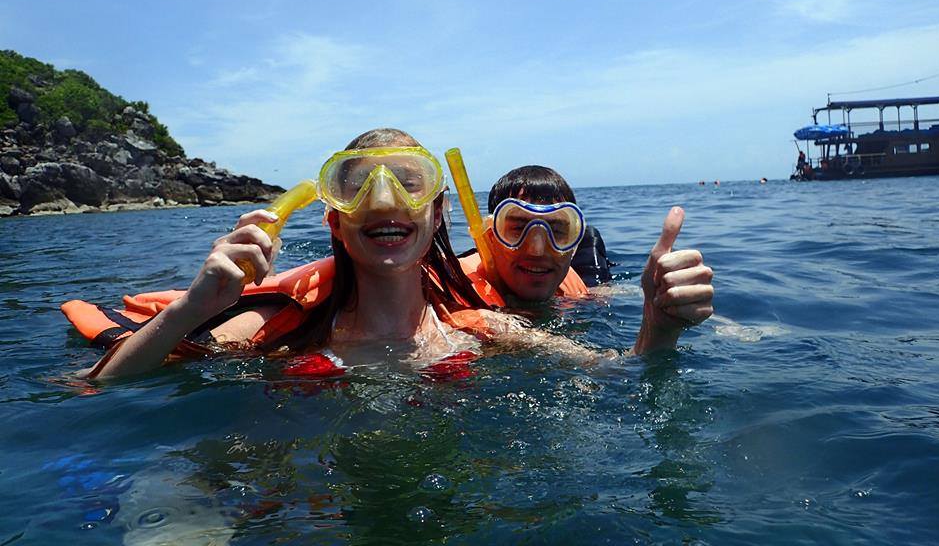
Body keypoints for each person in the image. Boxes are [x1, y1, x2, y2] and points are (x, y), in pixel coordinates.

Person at [68, 131, 683, 380]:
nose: (384, 201)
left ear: (437, 212)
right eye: (358, 184)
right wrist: (196, 304)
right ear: (335, 216)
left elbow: (615, 373)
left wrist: (658, 323)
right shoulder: (281, 328)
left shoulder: (479, 328)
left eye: (409, 183)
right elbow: (101, 385)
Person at [455, 165, 714, 353]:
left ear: (574, 240)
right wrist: (657, 334)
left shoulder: (571, 286)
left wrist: (662, 307)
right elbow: (609, 371)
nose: (537, 250)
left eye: (557, 230)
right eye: (517, 227)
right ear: (489, 235)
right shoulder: (453, 292)